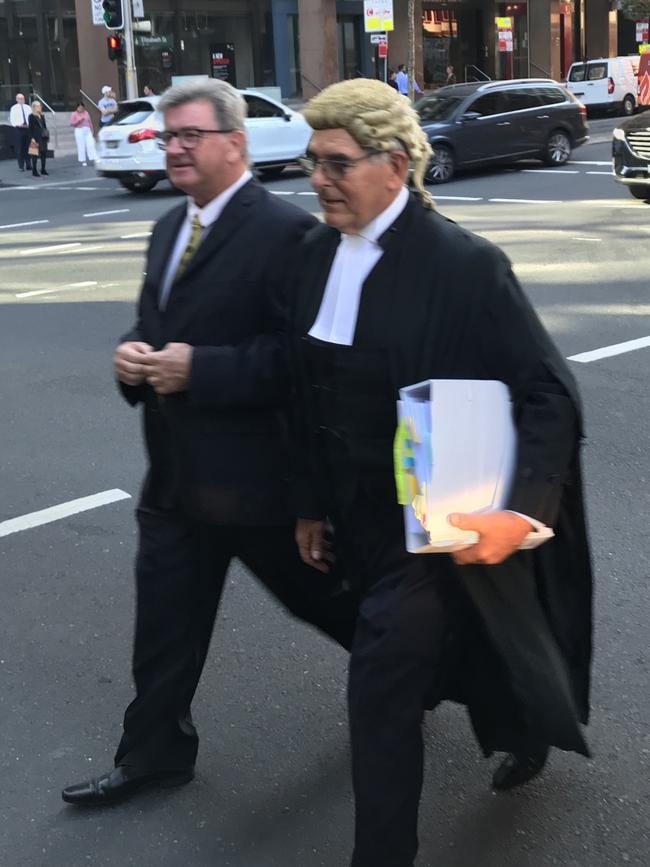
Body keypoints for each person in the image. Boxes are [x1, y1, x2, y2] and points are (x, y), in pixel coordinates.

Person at [291, 78, 593, 867]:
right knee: (452, 654)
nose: (318, 179)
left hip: (437, 518)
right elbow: (311, 391)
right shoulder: (316, 252)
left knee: (381, 687)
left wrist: (519, 510)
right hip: (358, 516)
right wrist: (311, 504)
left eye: (336, 162)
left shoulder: (463, 264)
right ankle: (517, 719)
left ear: (394, 164)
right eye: (311, 160)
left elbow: (548, 393)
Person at [61, 78, 356, 808]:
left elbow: (304, 361)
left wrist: (201, 368)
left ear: (236, 142)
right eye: (168, 137)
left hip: (258, 486)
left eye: (190, 134)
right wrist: (132, 355)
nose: (175, 148)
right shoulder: (169, 227)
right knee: (164, 627)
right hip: (175, 483)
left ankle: (434, 671)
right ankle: (155, 753)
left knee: (337, 608)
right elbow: (151, 325)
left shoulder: (288, 234)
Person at [9, 93, 32, 172]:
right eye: (20, 98)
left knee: (28, 147)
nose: (22, 100)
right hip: (18, 130)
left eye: (22, 98)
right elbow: (12, 120)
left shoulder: (28, 107)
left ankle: (29, 165)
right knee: (19, 148)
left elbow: (31, 117)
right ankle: (21, 166)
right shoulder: (14, 108)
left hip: (27, 129)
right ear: (16, 99)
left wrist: (29, 125)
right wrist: (18, 125)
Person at [27, 101, 49, 177]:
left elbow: (44, 126)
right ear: (34, 107)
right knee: (35, 154)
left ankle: (43, 169)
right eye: (38, 106)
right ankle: (34, 170)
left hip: (43, 137)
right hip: (36, 137)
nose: (40, 107)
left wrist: (47, 135)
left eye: (40, 106)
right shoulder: (31, 116)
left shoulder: (42, 115)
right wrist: (32, 138)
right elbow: (30, 129)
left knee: (44, 153)